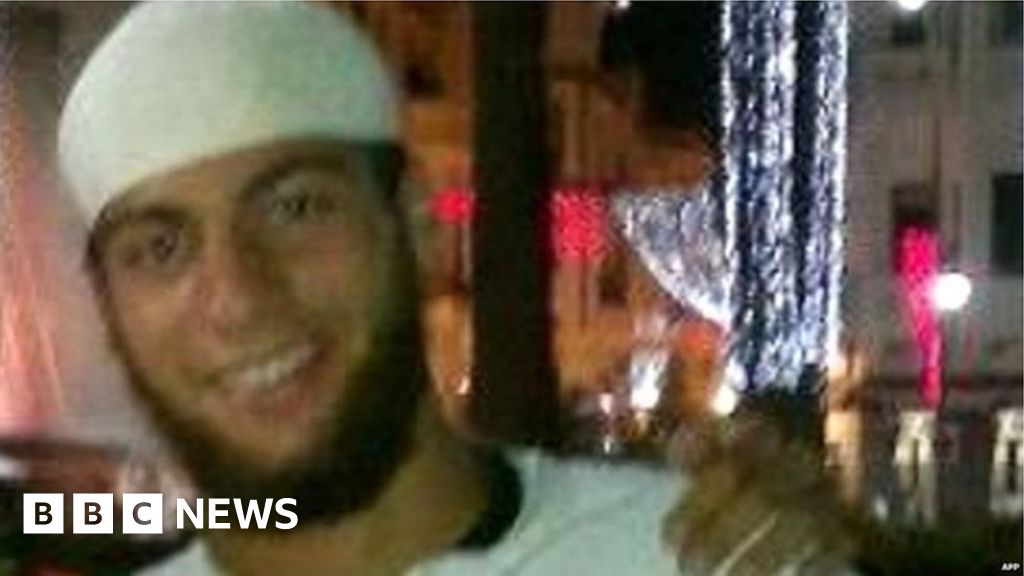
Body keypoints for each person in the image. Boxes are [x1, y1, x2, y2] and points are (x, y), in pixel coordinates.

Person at [57, 3, 852, 575]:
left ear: (416, 222)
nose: (236, 298)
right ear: (107, 308)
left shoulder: (683, 554)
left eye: (296, 208)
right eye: (159, 248)